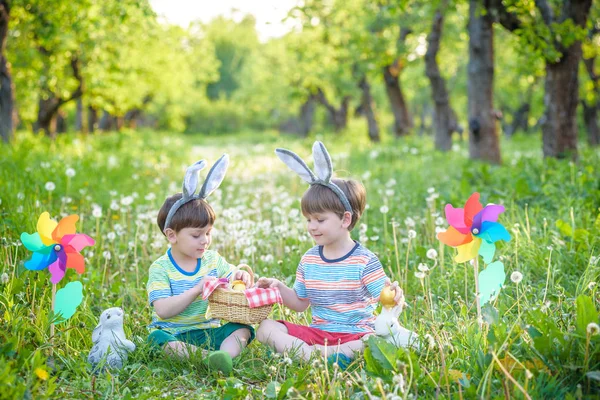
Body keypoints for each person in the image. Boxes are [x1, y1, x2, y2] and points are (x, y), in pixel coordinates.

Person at [256, 142, 403, 367]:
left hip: (354, 336)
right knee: (266, 328)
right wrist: (278, 287)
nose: (312, 227)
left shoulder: (364, 261)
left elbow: (386, 299)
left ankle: (307, 354)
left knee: (371, 342)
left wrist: (394, 296)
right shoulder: (309, 260)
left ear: (345, 219)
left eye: (320, 220)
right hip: (318, 334)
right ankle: (313, 354)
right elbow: (300, 303)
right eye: (308, 220)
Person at [146, 155, 253, 375]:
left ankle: (223, 356)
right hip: (175, 334)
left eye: (208, 233)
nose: (205, 240)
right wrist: (196, 289)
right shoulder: (161, 268)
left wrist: (240, 275)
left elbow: (232, 276)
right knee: (156, 339)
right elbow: (163, 311)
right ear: (172, 235)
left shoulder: (212, 260)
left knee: (243, 329)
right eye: (197, 235)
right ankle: (206, 359)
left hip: (208, 333)